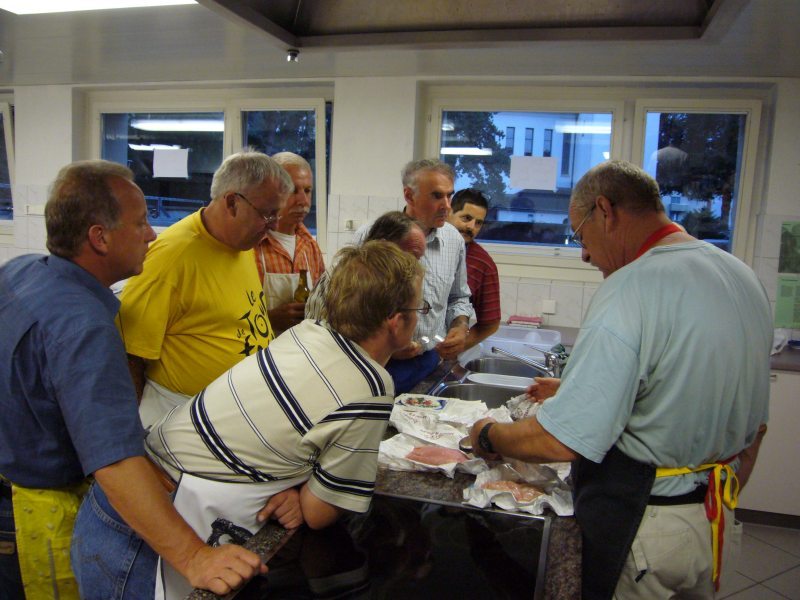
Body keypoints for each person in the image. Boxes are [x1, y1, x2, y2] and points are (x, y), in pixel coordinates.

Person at [469, 160, 771, 599]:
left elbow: (560, 441)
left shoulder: (630, 288)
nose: (585, 254)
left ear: (605, 211)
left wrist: (488, 435)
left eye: (581, 235)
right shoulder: (741, 276)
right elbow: (744, 421)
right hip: (716, 522)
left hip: (647, 529)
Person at [78, 240, 424, 599]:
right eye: (419, 307)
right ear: (396, 321)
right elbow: (319, 512)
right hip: (151, 531)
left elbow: (282, 442)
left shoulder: (308, 333)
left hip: (116, 508)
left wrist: (298, 487)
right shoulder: (370, 385)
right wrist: (310, 493)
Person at [0, 160, 268, 600]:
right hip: (36, 509)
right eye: (141, 222)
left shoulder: (24, 269)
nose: (152, 234)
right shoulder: (84, 326)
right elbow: (115, 463)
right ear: (99, 238)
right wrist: (195, 558)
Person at [117, 150, 293, 428]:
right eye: (267, 214)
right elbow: (130, 355)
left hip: (234, 412)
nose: (273, 226)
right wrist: (127, 433)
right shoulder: (172, 256)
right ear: (232, 203)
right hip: (182, 417)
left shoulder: (241, 243)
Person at [353, 159, 473, 393]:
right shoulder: (370, 236)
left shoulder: (454, 241)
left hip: (430, 361)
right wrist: (388, 345)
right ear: (409, 195)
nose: (447, 206)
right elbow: (352, 307)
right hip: (380, 364)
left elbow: (459, 297)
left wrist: (460, 327)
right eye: (437, 196)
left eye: (450, 196)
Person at [306, 210, 426, 320]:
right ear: (384, 246)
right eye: (412, 257)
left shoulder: (393, 284)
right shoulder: (341, 277)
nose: (415, 267)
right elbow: (316, 329)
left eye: (418, 259)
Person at [255, 152, 326, 335]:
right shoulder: (251, 245)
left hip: (301, 346)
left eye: (307, 191)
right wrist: (269, 318)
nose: (303, 201)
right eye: (293, 190)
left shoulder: (310, 247)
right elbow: (233, 314)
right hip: (261, 348)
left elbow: (323, 303)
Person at [447, 188, 501, 349]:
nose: (471, 227)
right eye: (466, 218)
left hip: (443, 349)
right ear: (449, 212)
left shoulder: (483, 264)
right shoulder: (424, 246)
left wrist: (456, 347)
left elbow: (490, 323)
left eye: (478, 223)